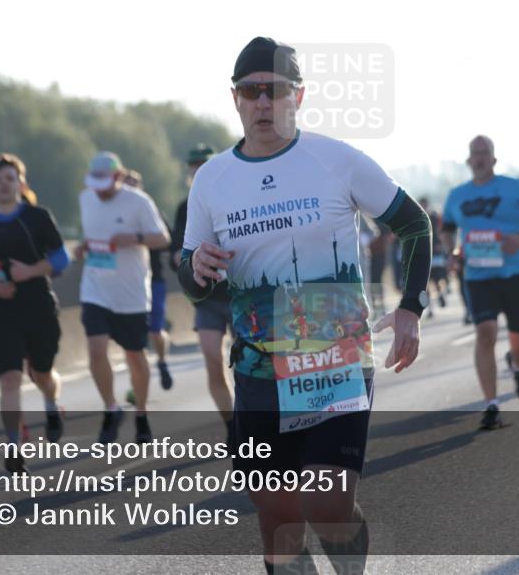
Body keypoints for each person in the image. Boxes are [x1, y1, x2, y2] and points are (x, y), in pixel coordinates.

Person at [179, 37, 431, 575]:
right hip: (257, 367)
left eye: (275, 91)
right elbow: (193, 279)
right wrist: (195, 267)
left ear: (299, 95)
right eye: (251, 92)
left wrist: (411, 306)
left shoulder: (336, 160)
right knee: (278, 517)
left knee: (326, 503)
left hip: (334, 361)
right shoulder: (213, 179)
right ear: (235, 99)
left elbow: (414, 223)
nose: (263, 103)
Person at [0, 155, 70, 473]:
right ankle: (13, 448)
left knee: (41, 374)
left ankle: (51, 404)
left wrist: (30, 270)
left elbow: (60, 260)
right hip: (1, 311)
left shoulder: (38, 217)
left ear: (21, 184)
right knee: (9, 380)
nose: (3, 183)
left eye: (10, 178)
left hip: (38, 306)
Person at [442, 135, 519, 428]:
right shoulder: (456, 195)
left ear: (493, 159)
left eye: (484, 153)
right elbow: (447, 229)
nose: (479, 158)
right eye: (475, 153)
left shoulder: (513, 187)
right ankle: (491, 405)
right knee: (485, 332)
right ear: (468, 160)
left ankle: (515, 364)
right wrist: (451, 252)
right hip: (477, 275)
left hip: (515, 273)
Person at [75, 151, 170, 444]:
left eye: (104, 183)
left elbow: (163, 238)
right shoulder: (85, 199)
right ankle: (111, 408)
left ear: (117, 177)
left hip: (130, 293)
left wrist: (136, 239)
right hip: (95, 287)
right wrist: (83, 247)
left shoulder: (138, 202)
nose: (98, 190)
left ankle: (141, 413)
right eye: (95, 183)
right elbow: (94, 235)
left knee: (134, 356)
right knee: (95, 349)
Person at [170, 143, 237, 440]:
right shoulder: (184, 208)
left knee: (248, 365)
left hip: (239, 294)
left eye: (204, 164)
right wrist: (191, 259)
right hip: (207, 297)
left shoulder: (235, 197)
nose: (198, 169)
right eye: (193, 165)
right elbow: (176, 254)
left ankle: (255, 423)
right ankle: (232, 426)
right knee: (212, 359)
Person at [121, 169, 174, 398]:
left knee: (155, 329)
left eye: (134, 184)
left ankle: (162, 362)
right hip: (126, 284)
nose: (131, 188)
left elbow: (167, 241)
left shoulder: (151, 211)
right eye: (126, 184)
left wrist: (141, 239)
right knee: (132, 341)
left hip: (154, 280)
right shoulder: (117, 214)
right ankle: (138, 387)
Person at [420, 197, 448, 318]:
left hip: (435, 251)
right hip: (422, 253)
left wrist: (439, 244)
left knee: (437, 279)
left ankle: (441, 294)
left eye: (424, 204)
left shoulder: (434, 217)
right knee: (425, 284)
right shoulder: (416, 217)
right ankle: (430, 309)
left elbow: (440, 231)